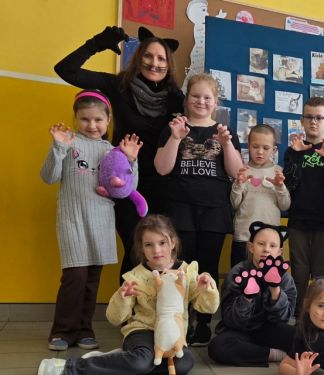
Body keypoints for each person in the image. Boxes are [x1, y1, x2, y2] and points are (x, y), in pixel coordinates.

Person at [54, 25, 184, 279]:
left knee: (162, 254)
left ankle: (159, 303)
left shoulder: (176, 98)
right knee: (136, 251)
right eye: (148, 56)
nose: (154, 63)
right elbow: (65, 69)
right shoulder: (119, 85)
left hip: (164, 186)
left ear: (169, 65)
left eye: (161, 59)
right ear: (138, 57)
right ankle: (130, 305)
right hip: (123, 182)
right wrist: (96, 44)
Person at [37, 215, 219, 375]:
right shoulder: (135, 276)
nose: (156, 250)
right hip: (141, 332)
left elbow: (208, 308)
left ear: (173, 242)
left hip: (172, 335)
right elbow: (114, 318)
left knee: (184, 364)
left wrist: (208, 289)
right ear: (142, 248)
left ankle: (125, 359)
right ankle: (69, 368)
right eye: (149, 245)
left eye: (162, 243)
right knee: (141, 361)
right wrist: (122, 297)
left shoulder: (187, 273)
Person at [40, 90, 142, 351]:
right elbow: (48, 177)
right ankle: (62, 331)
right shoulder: (68, 143)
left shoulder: (112, 150)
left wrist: (131, 160)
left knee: (92, 279)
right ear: (75, 118)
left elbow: (128, 189)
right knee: (74, 277)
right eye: (85, 119)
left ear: (108, 120)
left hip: (101, 222)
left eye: (98, 120)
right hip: (73, 221)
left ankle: (85, 329)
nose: (92, 125)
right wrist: (58, 147)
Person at [155, 73, 243, 346]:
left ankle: (203, 322)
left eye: (207, 97)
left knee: (208, 266)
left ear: (215, 102)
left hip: (214, 210)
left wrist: (226, 144)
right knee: (180, 267)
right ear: (186, 98)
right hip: (180, 208)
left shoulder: (225, 132)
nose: (201, 101)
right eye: (195, 96)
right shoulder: (173, 127)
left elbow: (236, 172)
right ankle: (180, 320)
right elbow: (162, 168)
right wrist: (175, 138)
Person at [208, 222, 296, 366]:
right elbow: (229, 319)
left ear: (279, 252)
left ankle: (254, 351)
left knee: (301, 338)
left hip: (270, 330)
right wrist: (246, 298)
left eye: (272, 246)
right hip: (240, 331)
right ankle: (272, 354)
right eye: (261, 244)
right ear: (251, 247)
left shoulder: (284, 277)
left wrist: (275, 289)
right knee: (217, 347)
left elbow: (283, 318)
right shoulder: (238, 272)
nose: (266, 249)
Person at [283, 96, 324, 317]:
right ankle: (299, 316)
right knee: (299, 271)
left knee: (320, 274)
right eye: (309, 117)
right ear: (302, 120)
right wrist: (298, 156)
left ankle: (317, 316)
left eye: (319, 117)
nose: (313, 121)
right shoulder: (293, 151)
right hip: (298, 220)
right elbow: (290, 184)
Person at [230, 124, 291, 266]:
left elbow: (285, 206)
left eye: (266, 148)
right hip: (244, 237)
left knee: (268, 277)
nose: (260, 152)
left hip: (270, 241)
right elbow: (234, 204)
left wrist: (280, 187)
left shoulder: (278, 172)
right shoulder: (242, 171)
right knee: (240, 276)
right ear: (248, 147)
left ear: (274, 150)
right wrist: (238, 184)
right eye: (255, 146)